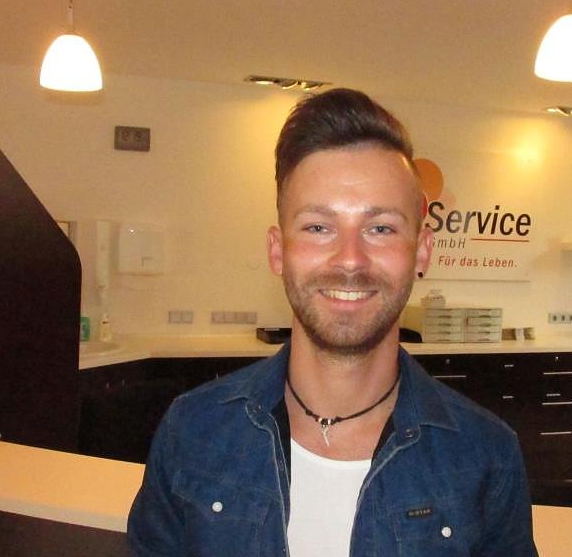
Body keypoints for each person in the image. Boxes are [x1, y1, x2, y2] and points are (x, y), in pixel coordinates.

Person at [127, 88, 538, 556]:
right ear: (278, 251)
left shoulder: (487, 456)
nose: (350, 259)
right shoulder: (192, 433)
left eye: (380, 228)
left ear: (422, 252)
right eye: (318, 227)